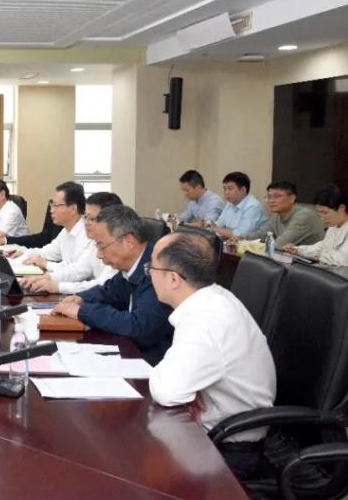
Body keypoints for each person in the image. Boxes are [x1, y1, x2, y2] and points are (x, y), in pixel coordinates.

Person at [147, 232, 276, 479]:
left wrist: (179, 382)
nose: (149, 274)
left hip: (228, 449)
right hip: (216, 431)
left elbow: (167, 391)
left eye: (151, 267)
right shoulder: (212, 298)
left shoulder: (206, 320)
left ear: (173, 279)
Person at [53, 205, 174, 365]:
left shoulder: (157, 270)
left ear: (128, 242)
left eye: (102, 246)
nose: (99, 255)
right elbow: (109, 292)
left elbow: (139, 327)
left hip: (155, 363)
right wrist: (80, 298)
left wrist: (83, 311)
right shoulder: (131, 267)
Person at [20, 191, 120, 295]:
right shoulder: (95, 242)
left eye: (92, 219)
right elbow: (78, 269)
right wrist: (47, 277)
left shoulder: (116, 246)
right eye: (86, 217)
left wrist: (58, 287)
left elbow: (103, 285)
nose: (86, 223)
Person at [10, 182, 89, 273]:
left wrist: (46, 264)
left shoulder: (87, 233)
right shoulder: (66, 231)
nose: (51, 210)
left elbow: (79, 271)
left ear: (73, 209)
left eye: (56, 205)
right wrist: (24, 253)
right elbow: (47, 252)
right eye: (52, 205)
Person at [283, 185, 348, 266]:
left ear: (341, 208)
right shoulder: (335, 223)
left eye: (325, 213)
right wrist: (298, 250)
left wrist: (319, 256)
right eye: (319, 213)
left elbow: (343, 259)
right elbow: (323, 246)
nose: (322, 218)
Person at [243, 180, 324, 246]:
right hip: (288, 258)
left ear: (291, 199)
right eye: (269, 197)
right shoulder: (277, 215)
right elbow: (261, 234)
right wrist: (240, 238)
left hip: (309, 260)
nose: (271, 201)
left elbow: (280, 244)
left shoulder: (304, 216)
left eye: (277, 196)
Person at [211, 172, 268, 239]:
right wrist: (211, 226)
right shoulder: (230, 204)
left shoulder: (252, 206)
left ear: (243, 190)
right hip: (233, 242)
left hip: (253, 244)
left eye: (230, 188)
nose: (226, 192)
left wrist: (217, 229)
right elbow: (219, 224)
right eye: (224, 189)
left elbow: (241, 234)